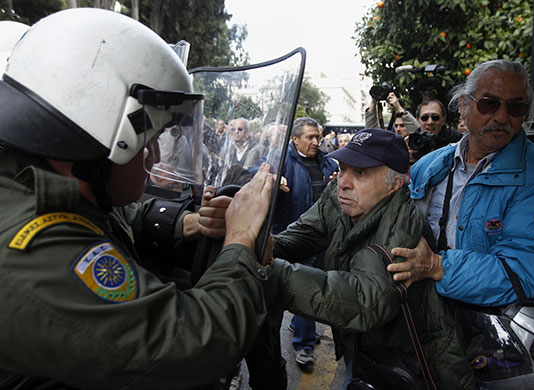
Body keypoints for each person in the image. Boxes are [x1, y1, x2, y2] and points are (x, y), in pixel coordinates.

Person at [0, 8, 278, 388]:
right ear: (104, 144)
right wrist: (241, 241)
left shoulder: (39, 184)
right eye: (148, 144)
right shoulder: (31, 248)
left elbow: (111, 218)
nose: (157, 157)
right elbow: (190, 345)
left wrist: (189, 223)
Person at [272, 129, 475, 390]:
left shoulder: (403, 223)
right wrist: (253, 242)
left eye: (360, 173)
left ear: (394, 184)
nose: (344, 181)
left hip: (405, 364)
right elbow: (302, 236)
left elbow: (366, 299)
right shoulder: (338, 198)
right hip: (360, 348)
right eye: (343, 169)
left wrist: (271, 272)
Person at [389, 59, 534, 307]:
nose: (502, 117)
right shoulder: (429, 166)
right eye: (489, 104)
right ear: (464, 106)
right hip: (433, 321)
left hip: (502, 332)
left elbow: (522, 273)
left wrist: (436, 266)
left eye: (515, 107)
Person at [273, 116, 338, 370]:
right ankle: (304, 346)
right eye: (310, 137)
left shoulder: (326, 162)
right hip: (293, 235)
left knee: (314, 286)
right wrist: (272, 182)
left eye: (318, 136)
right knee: (304, 288)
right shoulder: (281, 162)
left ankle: (300, 327)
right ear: (295, 139)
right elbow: (256, 172)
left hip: (322, 236)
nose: (315, 141)